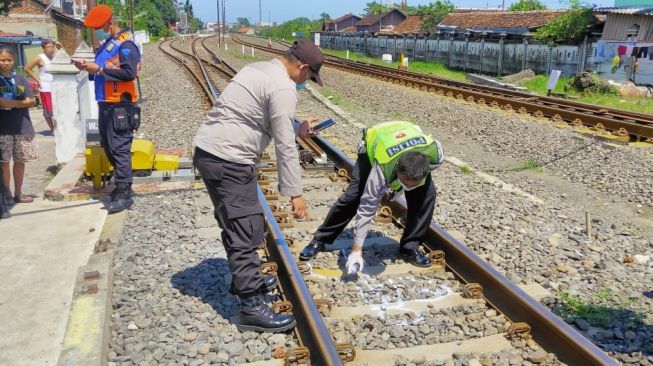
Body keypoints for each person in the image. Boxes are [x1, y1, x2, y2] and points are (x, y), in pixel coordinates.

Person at [193, 40, 324, 333]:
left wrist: (298, 127)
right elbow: (285, 147)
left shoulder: (261, 69)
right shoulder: (284, 88)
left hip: (211, 153)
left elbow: (268, 118)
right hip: (229, 160)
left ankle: (245, 278)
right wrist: (295, 193)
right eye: (310, 77)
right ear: (303, 68)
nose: (307, 83)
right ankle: (250, 306)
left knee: (236, 223)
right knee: (246, 228)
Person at [299, 121, 445, 274]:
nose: (408, 188)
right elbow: (367, 207)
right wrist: (356, 250)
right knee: (353, 197)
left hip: (406, 134)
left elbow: (422, 174)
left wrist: (409, 186)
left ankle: (410, 248)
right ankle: (320, 239)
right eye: (404, 183)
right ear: (396, 170)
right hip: (376, 143)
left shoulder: (436, 154)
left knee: (426, 195)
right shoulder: (383, 168)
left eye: (412, 184)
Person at [74, 5, 141, 213]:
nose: (96, 32)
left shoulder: (126, 44)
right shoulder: (107, 45)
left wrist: (100, 69)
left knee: (120, 148)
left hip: (120, 104)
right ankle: (120, 185)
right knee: (108, 145)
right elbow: (102, 72)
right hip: (106, 103)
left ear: (109, 24)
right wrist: (87, 68)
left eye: (98, 28)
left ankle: (125, 192)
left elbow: (129, 73)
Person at [0, 46, 38, 205]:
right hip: (3, 128)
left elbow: (32, 100)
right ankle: (6, 194)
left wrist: (11, 104)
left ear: (14, 61)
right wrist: (21, 103)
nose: (6, 63)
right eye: (2, 60)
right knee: (3, 162)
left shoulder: (21, 78)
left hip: (22, 126)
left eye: (9, 60)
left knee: (20, 161)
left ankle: (18, 193)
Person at [23, 39, 57, 132]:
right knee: (49, 111)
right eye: (48, 47)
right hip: (46, 87)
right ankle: (53, 129)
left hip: (56, 86)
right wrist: (37, 80)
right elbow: (27, 68)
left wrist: (61, 48)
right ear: (44, 48)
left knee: (58, 109)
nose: (51, 49)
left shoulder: (56, 57)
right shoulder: (40, 58)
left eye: (52, 46)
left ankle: (59, 128)